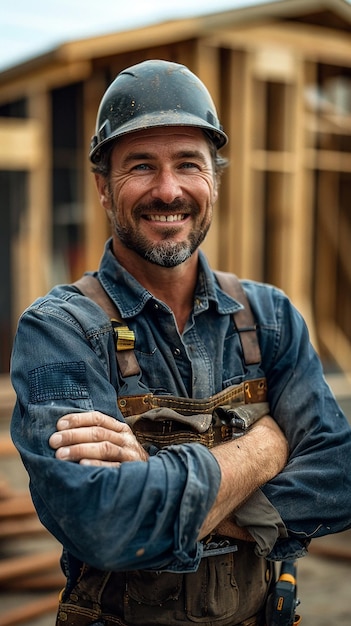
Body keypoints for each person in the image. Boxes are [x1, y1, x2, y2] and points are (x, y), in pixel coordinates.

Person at [10, 59, 351, 626]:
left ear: (213, 180)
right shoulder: (58, 331)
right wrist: (265, 449)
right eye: (141, 166)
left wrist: (153, 476)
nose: (167, 191)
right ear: (102, 186)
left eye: (188, 164)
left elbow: (339, 477)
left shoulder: (270, 318)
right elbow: (104, 523)